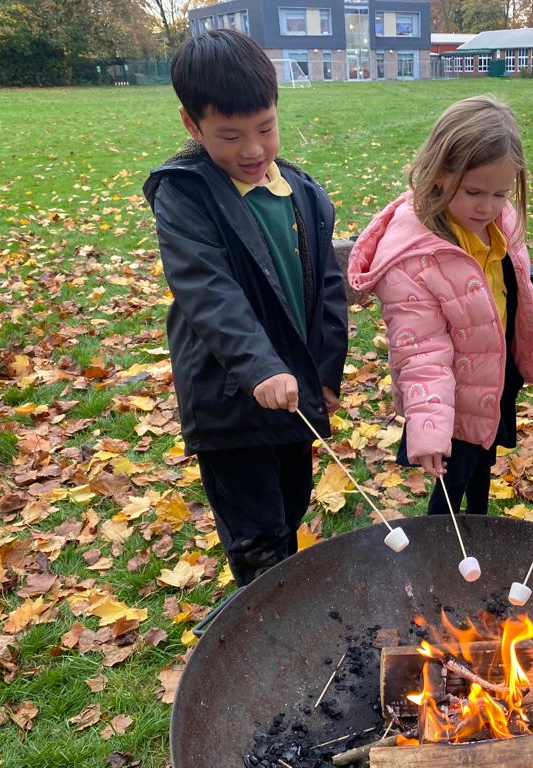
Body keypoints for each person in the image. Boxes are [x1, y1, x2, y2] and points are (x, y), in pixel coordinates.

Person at [143, 29, 348, 586]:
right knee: (256, 535)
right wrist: (260, 366)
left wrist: (325, 373)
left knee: (292, 500)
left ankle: (281, 598)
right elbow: (208, 292)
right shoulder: (185, 196)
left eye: (265, 129)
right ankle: (265, 624)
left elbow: (328, 287)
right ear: (192, 125)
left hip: (294, 398)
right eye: (230, 136)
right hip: (230, 399)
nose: (253, 150)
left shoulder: (301, 193)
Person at [348, 96, 533, 516]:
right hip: (447, 397)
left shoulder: (497, 220)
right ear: (440, 175)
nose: (488, 207)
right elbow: (420, 353)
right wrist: (429, 428)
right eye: (474, 191)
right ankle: (439, 552)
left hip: (492, 377)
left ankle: (480, 527)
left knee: (482, 464)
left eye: (500, 193)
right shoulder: (414, 261)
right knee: (452, 478)